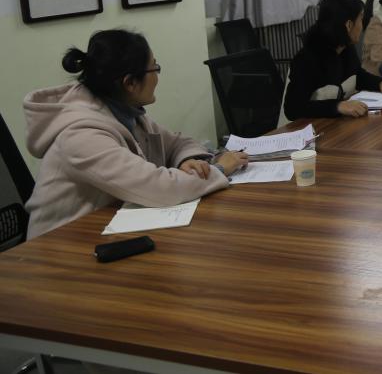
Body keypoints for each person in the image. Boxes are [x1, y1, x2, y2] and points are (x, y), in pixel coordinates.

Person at [23, 30, 248, 239]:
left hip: (106, 230)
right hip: (59, 247)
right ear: (130, 82)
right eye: (154, 68)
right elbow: (159, 188)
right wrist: (219, 169)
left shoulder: (124, 111)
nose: (157, 76)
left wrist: (189, 161)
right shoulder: (81, 135)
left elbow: (177, 142)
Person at [284, 0, 382, 120]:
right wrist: (337, 106)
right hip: (311, 128)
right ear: (348, 25)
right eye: (360, 19)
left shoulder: (345, 47)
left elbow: (357, 76)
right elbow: (293, 109)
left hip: (335, 123)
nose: (362, 25)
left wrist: (380, 83)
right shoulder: (307, 59)